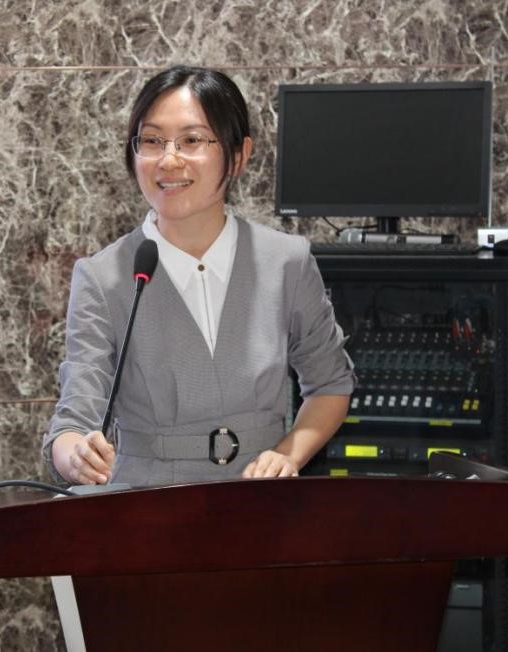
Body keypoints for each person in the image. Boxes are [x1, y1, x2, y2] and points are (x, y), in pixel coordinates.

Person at [42, 65, 354, 487]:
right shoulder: (102, 277)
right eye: (152, 141)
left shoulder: (287, 261)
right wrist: (75, 454)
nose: (168, 160)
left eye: (191, 140)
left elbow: (331, 384)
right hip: (146, 503)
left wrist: (286, 454)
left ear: (239, 155)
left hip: (260, 501)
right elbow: (73, 421)